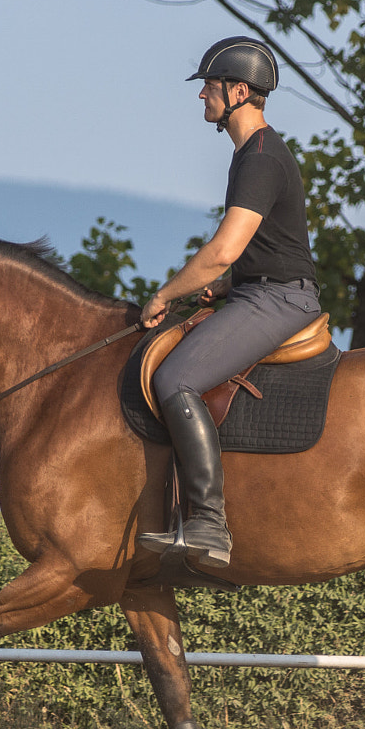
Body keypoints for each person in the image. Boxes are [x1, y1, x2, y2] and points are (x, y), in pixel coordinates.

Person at [136, 36, 322, 569]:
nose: (202, 97)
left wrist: (165, 294)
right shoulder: (253, 153)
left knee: (175, 380)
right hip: (259, 288)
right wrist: (223, 284)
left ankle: (208, 525)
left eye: (209, 87)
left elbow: (222, 250)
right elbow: (258, 250)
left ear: (239, 91)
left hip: (279, 300)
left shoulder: (260, 156)